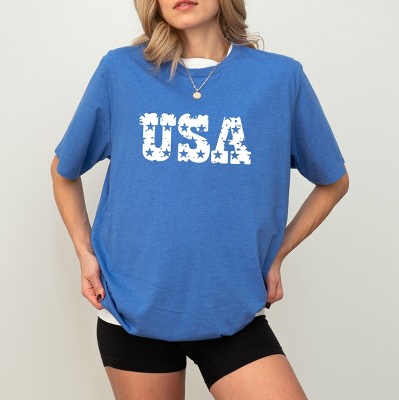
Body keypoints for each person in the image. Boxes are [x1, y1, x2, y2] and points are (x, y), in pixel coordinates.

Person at [50, 0, 349, 398]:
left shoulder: (279, 79)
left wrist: (278, 253)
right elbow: (64, 171)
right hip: (132, 310)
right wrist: (84, 253)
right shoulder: (120, 72)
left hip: (232, 310)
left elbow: (333, 181)